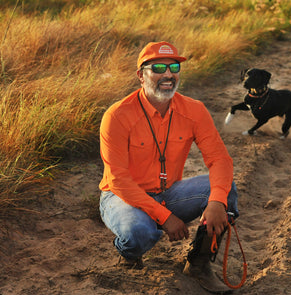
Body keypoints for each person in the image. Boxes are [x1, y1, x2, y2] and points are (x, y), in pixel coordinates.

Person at [98, 41, 239, 293]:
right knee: (139, 233)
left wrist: (217, 201)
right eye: (158, 68)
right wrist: (165, 217)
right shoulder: (117, 115)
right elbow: (118, 179)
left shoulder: (194, 110)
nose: (168, 74)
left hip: (168, 193)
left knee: (225, 190)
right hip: (122, 196)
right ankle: (129, 254)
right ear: (140, 76)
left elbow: (220, 160)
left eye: (174, 67)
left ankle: (198, 264)